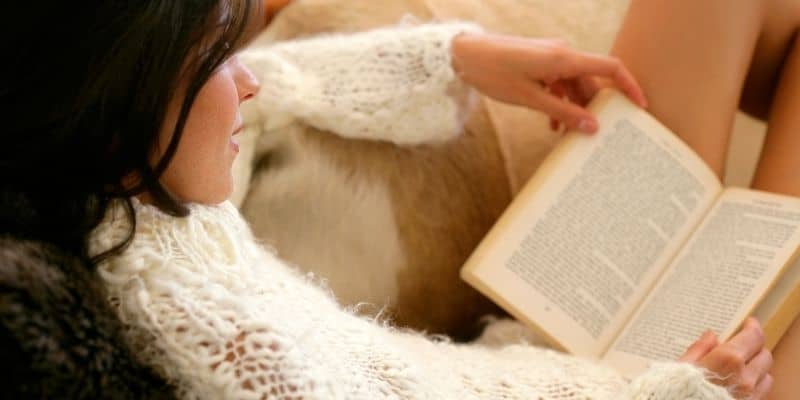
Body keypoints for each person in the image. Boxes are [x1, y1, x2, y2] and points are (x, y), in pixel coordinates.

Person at [0, 0, 777, 399]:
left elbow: (276, 89)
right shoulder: (213, 336)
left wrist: (454, 58)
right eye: (215, 62)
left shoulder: (131, 190)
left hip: (552, 364)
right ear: (111, 111)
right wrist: (674, 390)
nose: (249, 78)